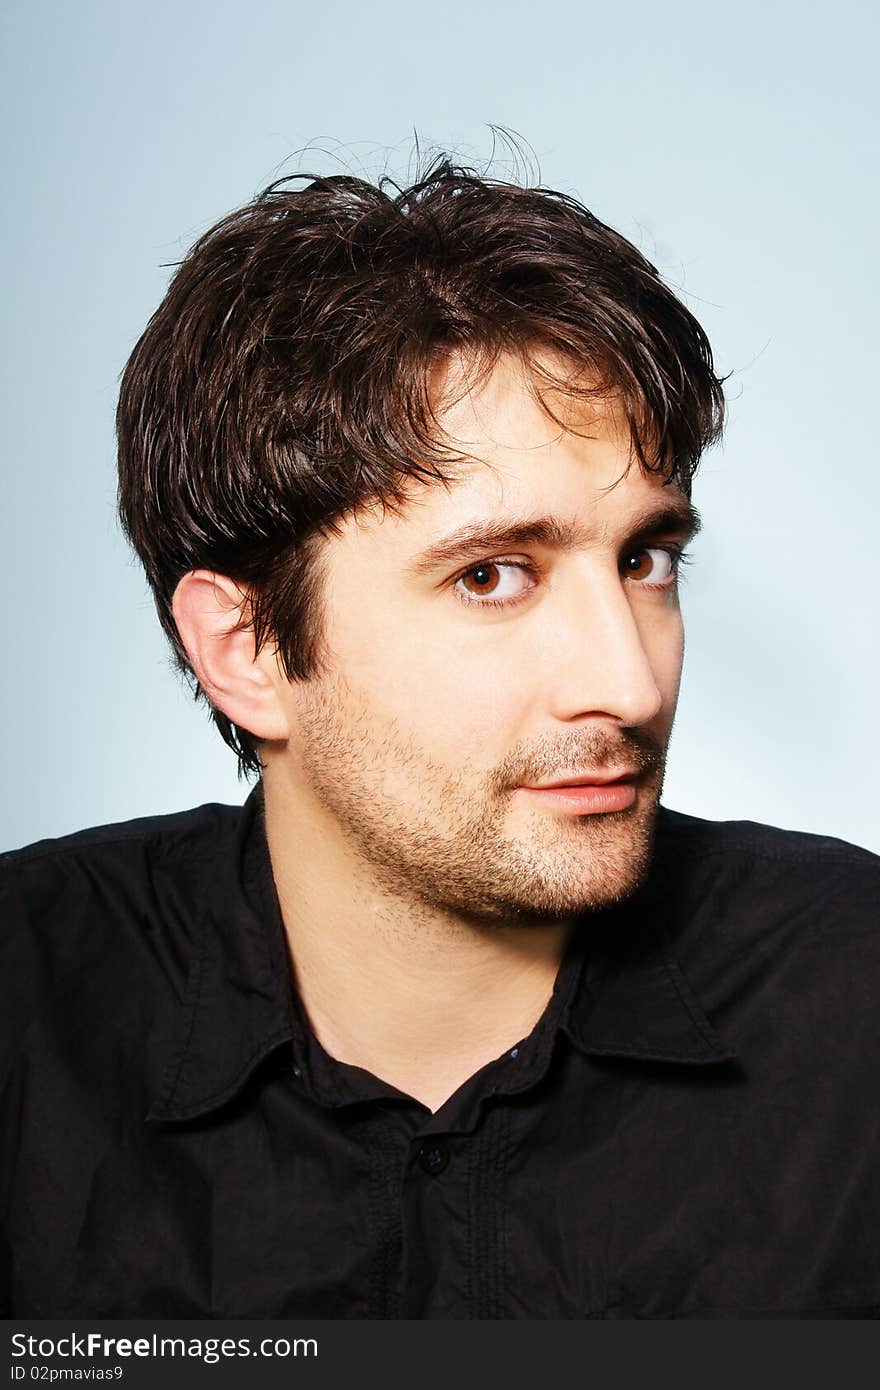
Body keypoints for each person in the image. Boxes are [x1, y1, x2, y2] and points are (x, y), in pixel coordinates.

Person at [2, 160, 878, 1320]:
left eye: (644, 558)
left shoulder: (850, 997)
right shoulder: (29, 1002)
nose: (626, 680)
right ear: (248, 646)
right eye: (490, 576)